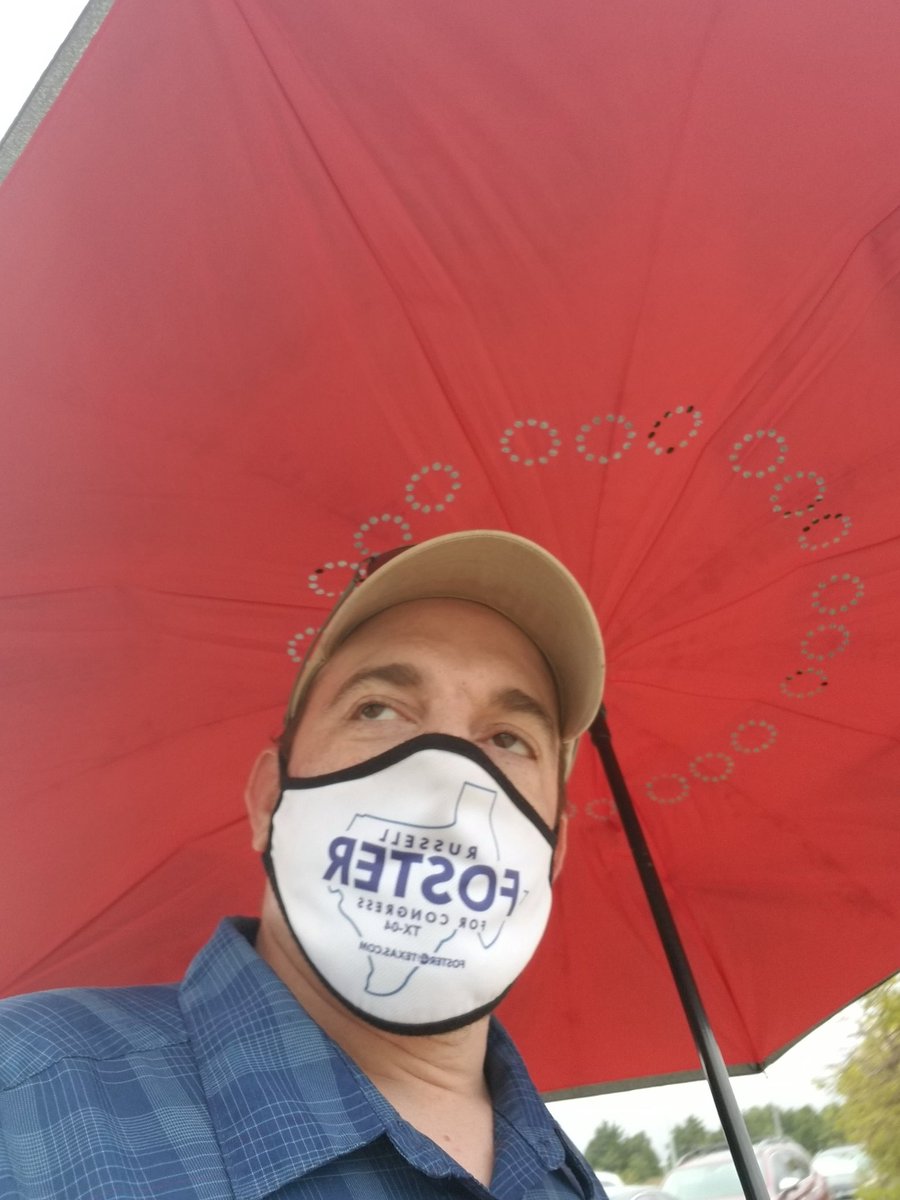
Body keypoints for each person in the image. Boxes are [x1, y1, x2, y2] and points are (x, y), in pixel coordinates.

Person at [0, 529, 606, 1199]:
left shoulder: (567, 1180)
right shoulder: (21, 1100)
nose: (443, 783)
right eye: (378, 709)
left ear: (555, 852)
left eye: (508, 739)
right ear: (269, 800)